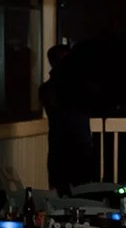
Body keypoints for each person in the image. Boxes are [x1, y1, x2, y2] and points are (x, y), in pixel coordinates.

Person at [40, 43, 95, 195]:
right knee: (62, 194)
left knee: (84, 193)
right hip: (62, 150)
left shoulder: (77, 87)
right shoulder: (50, 89)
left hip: (80, 148)